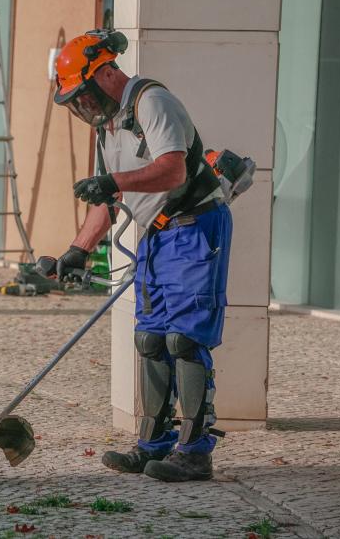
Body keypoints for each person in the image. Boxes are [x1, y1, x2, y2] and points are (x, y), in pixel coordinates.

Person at [42, 30, 232, 482]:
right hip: (157, 236)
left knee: (184, 338)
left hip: (195, 227)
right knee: (150, 340)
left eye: (83, 95)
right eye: (75, 102)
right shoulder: (108, 127)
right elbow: (109, 199)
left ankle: (195, 452)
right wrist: (77, 250)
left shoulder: (152, 102)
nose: (82, 106)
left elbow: (172, 170)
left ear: (106, 73)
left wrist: (113, 182)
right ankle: (153, 444)